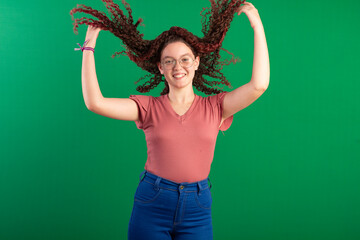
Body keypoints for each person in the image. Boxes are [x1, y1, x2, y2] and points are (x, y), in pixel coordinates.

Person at [71, 0, 269, 239]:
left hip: (197, 207)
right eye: (169, 61)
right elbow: (95, 103)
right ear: (160, 67)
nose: (178, 66)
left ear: (196, 62)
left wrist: (257, 26)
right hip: (153, 202)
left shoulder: (216, 106)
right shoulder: (148, 107)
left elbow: (259, 85)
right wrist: (88, 47)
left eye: (185, 59)